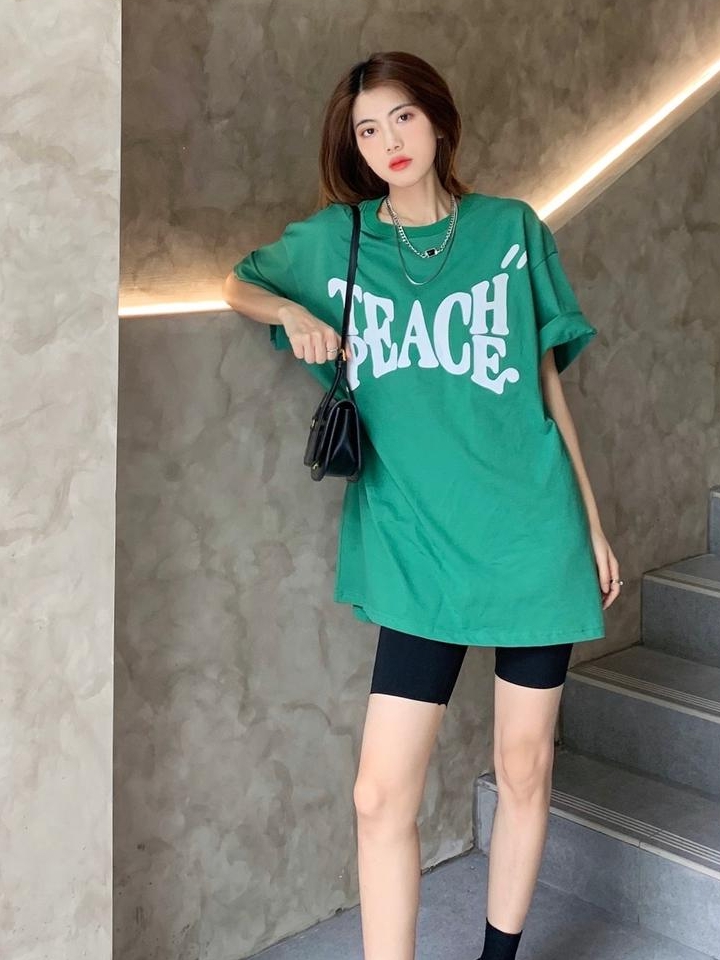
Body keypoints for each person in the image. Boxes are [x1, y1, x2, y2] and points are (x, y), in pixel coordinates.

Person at [222, 50, 622, 960]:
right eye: (367, 129)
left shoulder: (511, 230)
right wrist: (290, 314)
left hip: (529, 534)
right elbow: (239, 280)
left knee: (524, 767)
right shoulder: (340, 240)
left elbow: (547, 387)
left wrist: (592, 522)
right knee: (379, 796)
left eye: (402, 117)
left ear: (438, 119)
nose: (388, 142)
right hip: (414, 544)